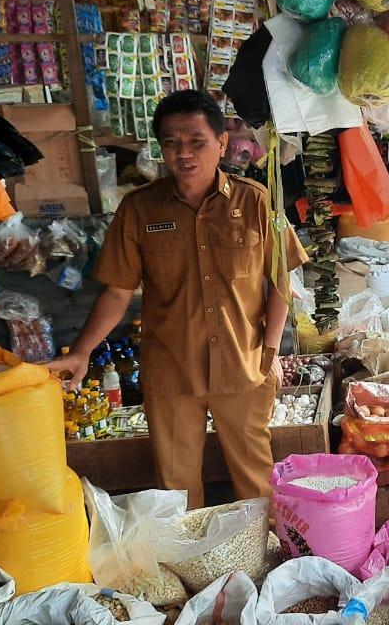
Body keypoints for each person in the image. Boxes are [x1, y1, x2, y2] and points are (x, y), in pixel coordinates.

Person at [47, 90, 307, 508]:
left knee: (256, 481)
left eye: (196, 141)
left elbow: (280, 280)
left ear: (222, 144)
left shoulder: (255, 201)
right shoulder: (138, 210)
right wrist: (82, 352)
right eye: (171, 142)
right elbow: (117, 291)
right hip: (170, 370)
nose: (183, 153)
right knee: (176, 489)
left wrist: (271, 347)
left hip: (243, 365)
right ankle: (191, 565)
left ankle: (261, 560)